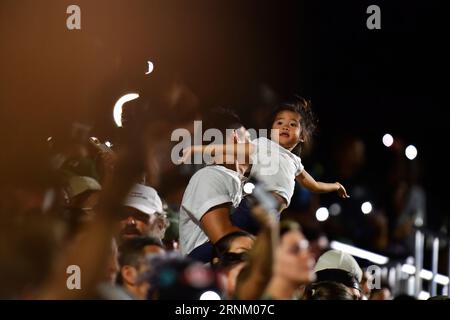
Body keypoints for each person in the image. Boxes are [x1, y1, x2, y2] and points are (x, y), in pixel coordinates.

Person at [181, 98, 348, 234]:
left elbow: (314, 185)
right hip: (256, 205)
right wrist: (197, 148)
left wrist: (336, 185)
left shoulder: (295, 162)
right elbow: (228, 148)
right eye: (280, 122)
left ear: (302, 137)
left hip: (273, 215)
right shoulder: (261, 145)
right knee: (231, 238)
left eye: (293, 124)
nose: (285, 126)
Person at [178, 109, 250, 263]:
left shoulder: (241, 183)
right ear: (235, 140)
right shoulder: (209, 177)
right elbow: (225, 238)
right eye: (249, 140)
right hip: (207, 279)